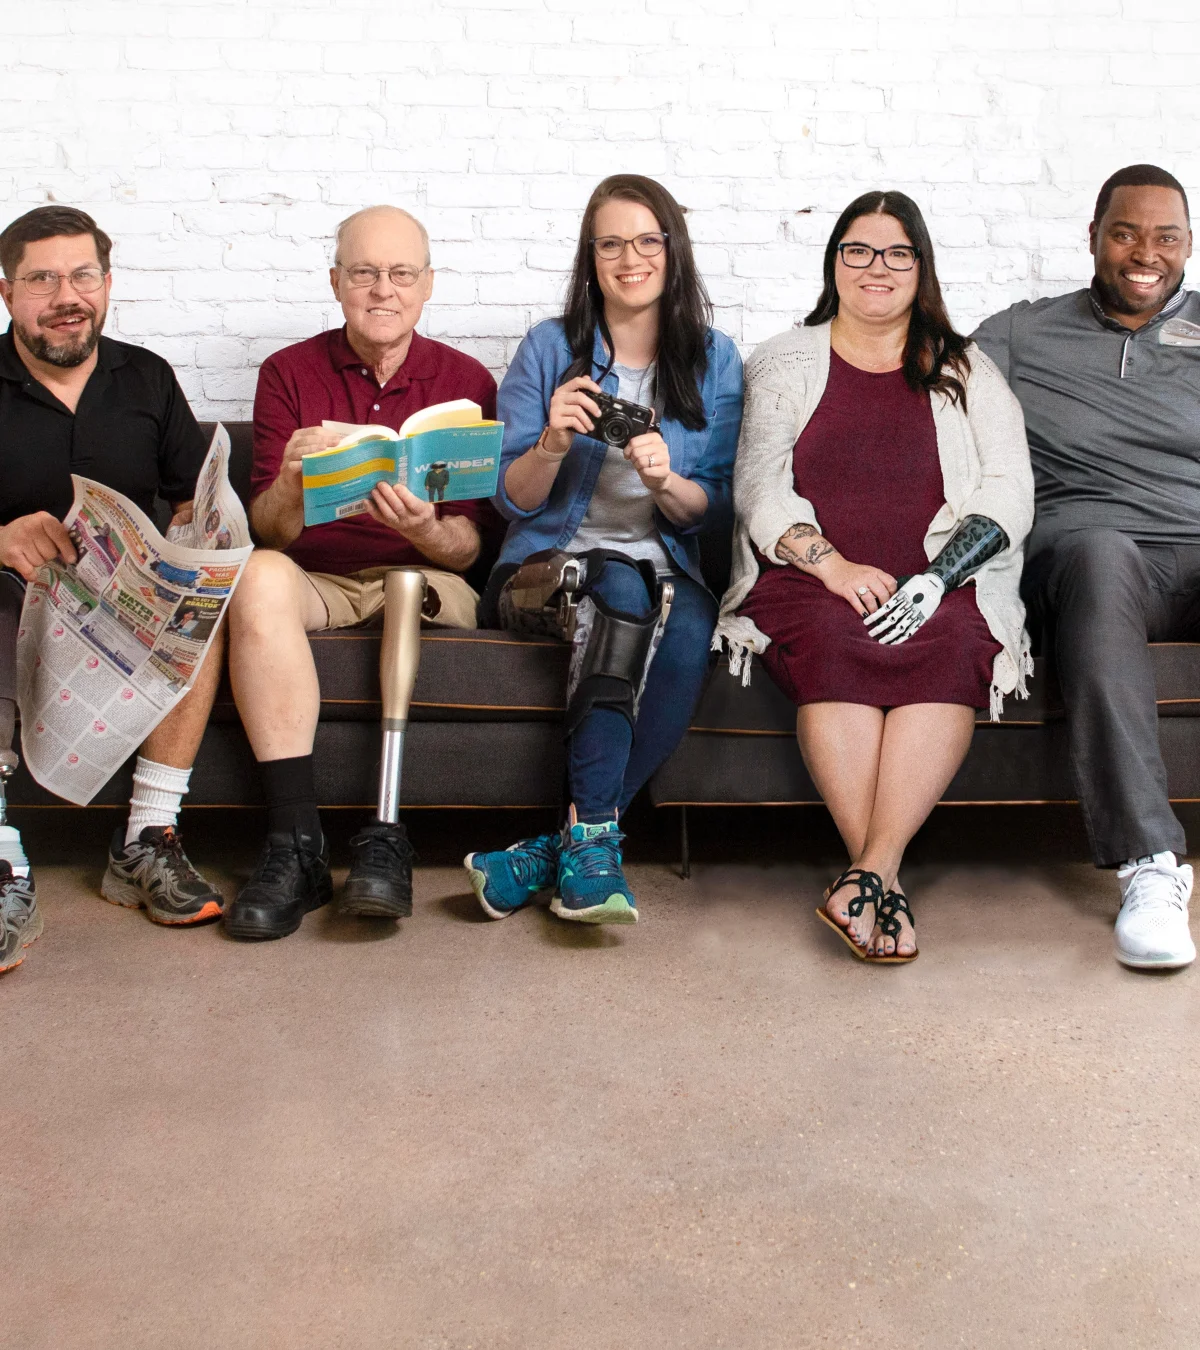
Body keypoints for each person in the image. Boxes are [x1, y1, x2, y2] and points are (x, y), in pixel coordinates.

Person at [717, 191, 1034, 963]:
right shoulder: (786, 359)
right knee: (835, 639)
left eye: (896, 252)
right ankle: (883, 882)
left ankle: (866, 875)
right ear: (834, 261)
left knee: (956, 640)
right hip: (809, 578)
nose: (876, 267)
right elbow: (759, 485)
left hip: (938, 579)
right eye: (857, 250)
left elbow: (1008, 490)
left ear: (920, 267)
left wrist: (936, 578)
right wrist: (831, 566)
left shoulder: (968, 370)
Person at [463, 174, 743, 925]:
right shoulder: (549, 349)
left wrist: (664, 481)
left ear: (672, 251)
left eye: (647, 240)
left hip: (664, 572)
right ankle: (588, 848)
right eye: (611, 243)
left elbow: (711, 509)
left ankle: (570, 847)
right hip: (541, 572)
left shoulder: (714, 361)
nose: (630, 258)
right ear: (591, 259)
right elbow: (511, 500)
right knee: (619, 584)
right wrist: (552, 442)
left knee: (688, 623)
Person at [224, 205, 497, 941]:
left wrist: (425, 528)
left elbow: (472, 550)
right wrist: (286, 483)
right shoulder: (288, 373)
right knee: (255, 575)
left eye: (401, 273)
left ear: (427, 285)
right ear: (337, 281)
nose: (383, 289)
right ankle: (296, 845)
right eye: (365, 273)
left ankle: (385, 833)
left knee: (411, 582)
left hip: (427, 581)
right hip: (320, 579)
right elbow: (268, 532)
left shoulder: (466, 381)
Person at [973, 163, 1200, 971]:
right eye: (1126, 232)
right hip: (1090, 550)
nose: (1147, 252)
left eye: (1166, 235)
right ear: (1094, 238)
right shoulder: (1025, 332)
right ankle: (1150, 865)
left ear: (1187, 244)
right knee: (1103, 555)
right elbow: (922, 387)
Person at [0, 205, 225, 971]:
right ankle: (2, 860)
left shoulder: (148, 377)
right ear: (7, 294)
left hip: (126, 606)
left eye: (83, 275)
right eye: (42, 279)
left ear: (107, 284)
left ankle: (145, 840)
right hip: (12, 599)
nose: (67, 295)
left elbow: (192, 498)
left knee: (206, 606)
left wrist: (198, 535)